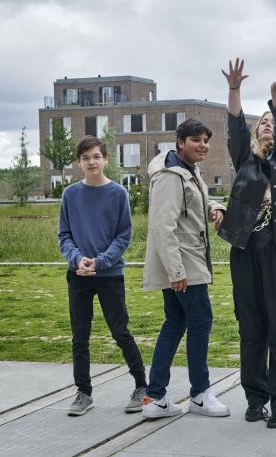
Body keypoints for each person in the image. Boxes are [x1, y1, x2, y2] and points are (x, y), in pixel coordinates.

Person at [218, 58, 276, 429]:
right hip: (245, 251)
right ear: (256, 133)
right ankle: (256, 400)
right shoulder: (244, 160)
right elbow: (234, 128)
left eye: (272, 123)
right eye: (264, 124)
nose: (269, 127)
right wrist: (235, 89)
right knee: (252, 327)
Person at [141, 119, 229, 419]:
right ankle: (200, 394)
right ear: (180, 142)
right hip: (183, 262)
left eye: (206, 140)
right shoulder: (169, 176)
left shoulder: (189, 171)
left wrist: (215, 207)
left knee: (175, 323)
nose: (203, 145)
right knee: (201, 320)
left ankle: (155, 398)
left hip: (185, 260)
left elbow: (195, 201)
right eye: (196, 140)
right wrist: (177, 273)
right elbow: (162, 228)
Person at [58, 135, 147, 416]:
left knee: (120, 331)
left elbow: (124, 236)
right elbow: (64, 235)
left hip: (109, 275)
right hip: (78, 275)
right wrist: (77, 260)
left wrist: (100, 261)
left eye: (96, 156)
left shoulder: (118, 193)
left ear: (106, 159)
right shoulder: (70, 195)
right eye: (86, 158)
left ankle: (142, 387)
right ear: (79, 162)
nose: (91, 162)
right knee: (79, 336)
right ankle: (83, 393)